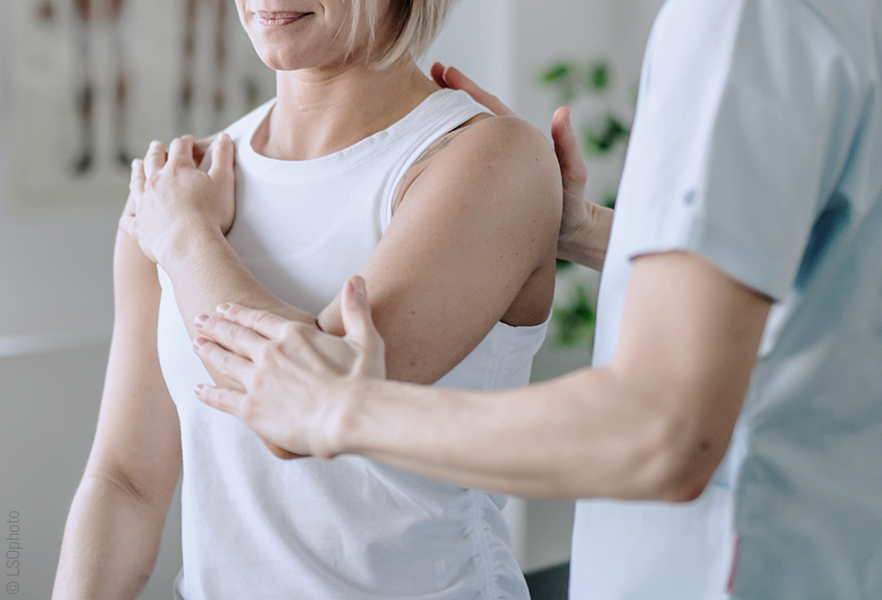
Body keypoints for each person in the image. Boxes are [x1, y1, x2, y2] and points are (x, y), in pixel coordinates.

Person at [186, 0, 882, 598]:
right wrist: (581, 230)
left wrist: (340, 408)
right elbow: (829, 288)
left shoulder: (747, 20)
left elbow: (660, 431)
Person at [52, 0, 562, 597]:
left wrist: (188, 241)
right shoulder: (179, 188)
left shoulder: (491, 159)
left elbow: (297, 416)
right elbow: (126, 481)